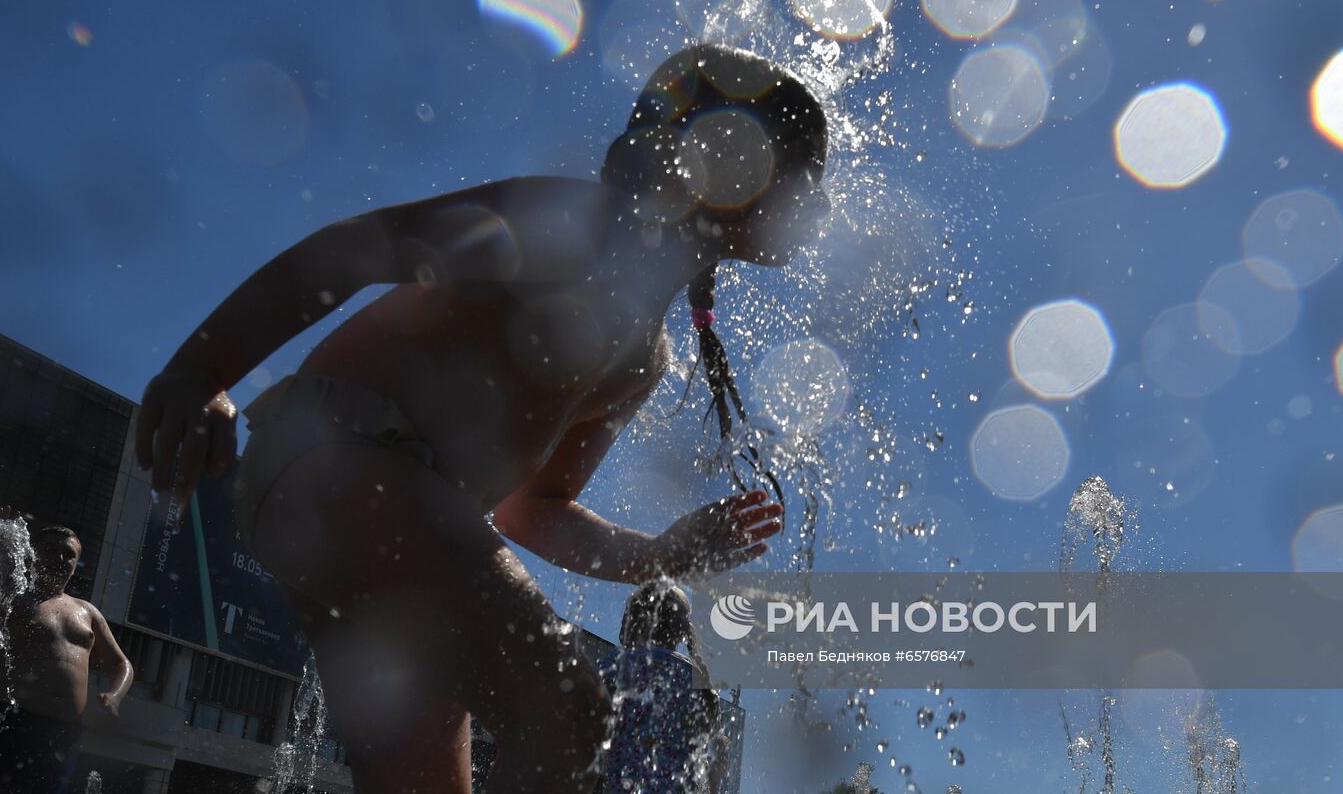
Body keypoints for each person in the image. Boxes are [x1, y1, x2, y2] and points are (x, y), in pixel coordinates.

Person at [135, 44, 831, 794]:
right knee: (565, 710)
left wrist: (656, 554)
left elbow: (534, 509)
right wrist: (203, 369)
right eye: (810, 174)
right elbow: (353, 252)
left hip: (402, 519)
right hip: (340, 455)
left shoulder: (644, 358)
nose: (821, 205)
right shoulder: (568, 222)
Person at [0, 524, 134, 794]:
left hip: (65, 733)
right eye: (50, 550)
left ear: (76, 563)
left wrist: (115, 695)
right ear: (33, 554)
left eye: (67, 554)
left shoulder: (87, 611)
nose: (59, 559)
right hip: (16, 722)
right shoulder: (15, 597)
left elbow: (121, 664)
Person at [601, 581, 730, 793]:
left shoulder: (616, 665)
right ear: (681, 632)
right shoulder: (698, 681)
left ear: (635, 620)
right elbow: (713, 751)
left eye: (627, 611)